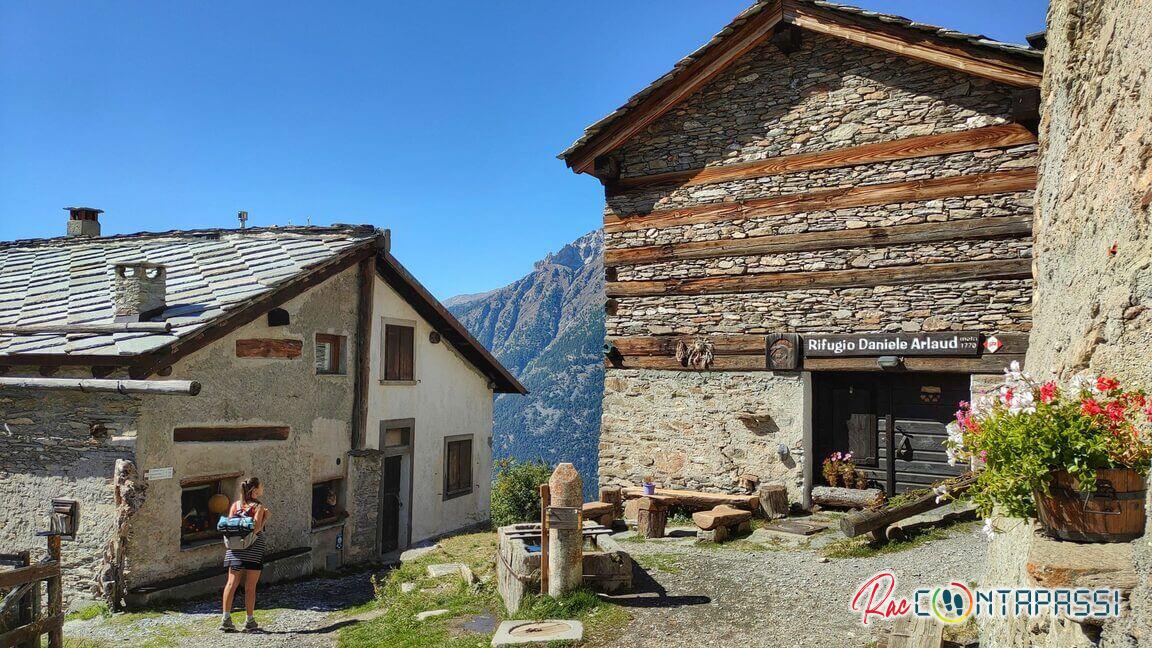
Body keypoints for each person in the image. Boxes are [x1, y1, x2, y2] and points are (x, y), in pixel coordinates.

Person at [220, 477, 270, 632]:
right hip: (253, 549)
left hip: (234, 549)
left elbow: (229, 524)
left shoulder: (235, 505)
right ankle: (249, 621)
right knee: (250, 586)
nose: (262, 489)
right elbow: (256, 529)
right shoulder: (258, 506)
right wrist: (265, 518)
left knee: (231, 583)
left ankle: (226, 619)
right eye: (261, 486)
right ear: (254, 490)